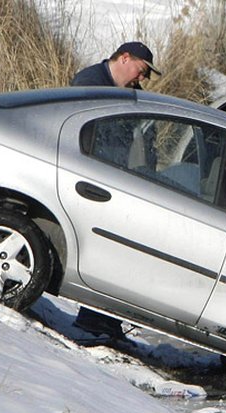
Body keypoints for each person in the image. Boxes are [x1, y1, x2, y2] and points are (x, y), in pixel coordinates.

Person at [70, 41, 161, 341]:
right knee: (103, 252)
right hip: (93, 182)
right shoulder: (89, 83)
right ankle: (93, 320)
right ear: (125, 58)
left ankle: (106, 321)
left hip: (119, 184)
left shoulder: (130, 94)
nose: (143, 78)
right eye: (142, 70)